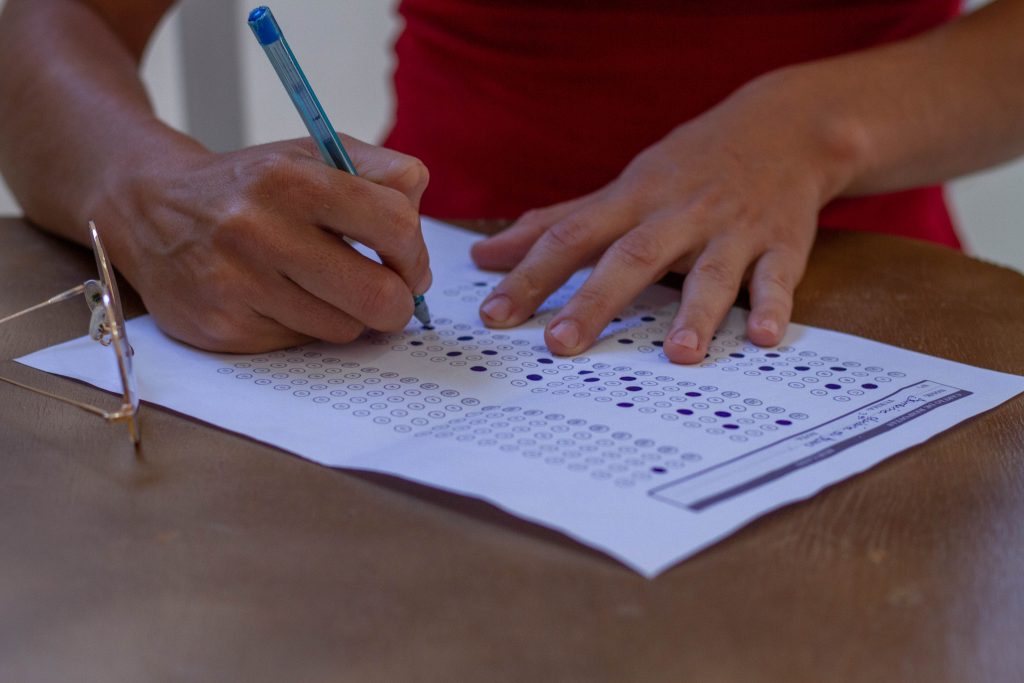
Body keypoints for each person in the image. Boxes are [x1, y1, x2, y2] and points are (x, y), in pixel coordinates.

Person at [1, 0, 1022, 365]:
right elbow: (51, 22)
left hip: (859, 303)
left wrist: (814, 128)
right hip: (429, 291)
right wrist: (146, 188)